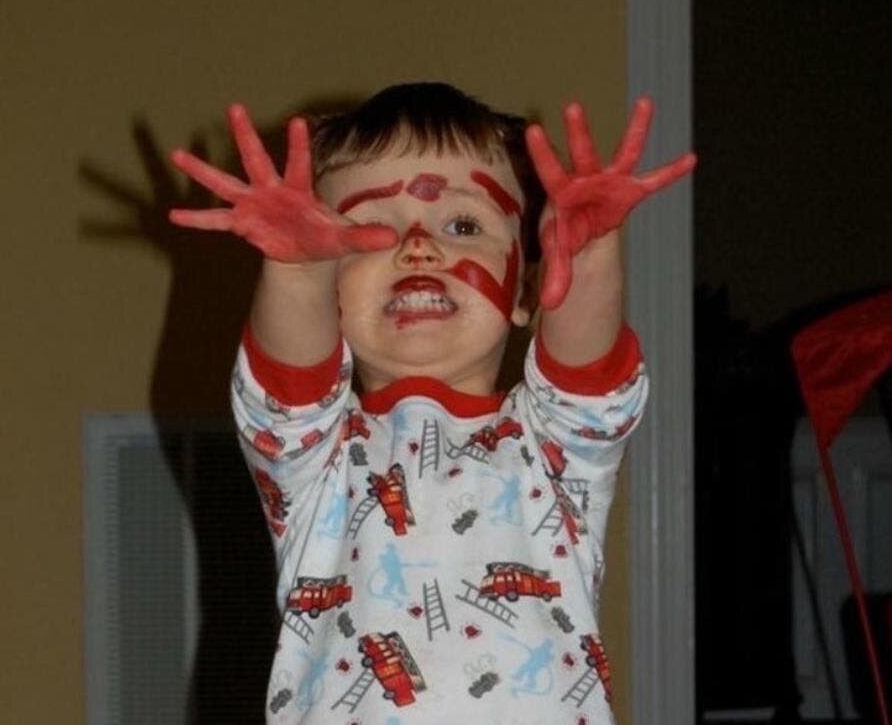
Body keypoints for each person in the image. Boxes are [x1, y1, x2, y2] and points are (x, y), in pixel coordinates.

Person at [169, 82, 694, 723]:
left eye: (463, 224)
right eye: (370, 230)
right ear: (327, 295)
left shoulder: (555, 445)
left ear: (527, 291)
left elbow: (589, 364)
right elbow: (289, 375)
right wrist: (296, 270)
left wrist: (586, 255)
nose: (419, 247)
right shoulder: (313, 458)